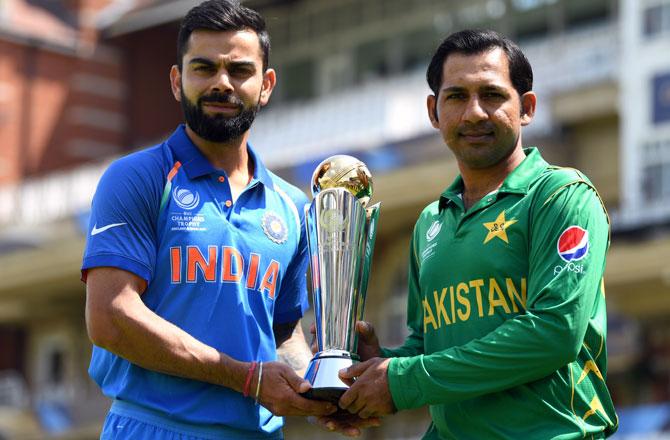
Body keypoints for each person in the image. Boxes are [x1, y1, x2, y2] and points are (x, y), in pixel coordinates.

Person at [318, 29, 619, 439]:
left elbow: (555, 332)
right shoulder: (430, 221)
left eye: (492, 95)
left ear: (526, 107)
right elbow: (431, 345)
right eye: (457, 96)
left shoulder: (560, 196)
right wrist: (375, 367)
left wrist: (403, 380)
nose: (474, 113)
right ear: (434, 111)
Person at [81, 1, 336, 439]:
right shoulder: (138, 179)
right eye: (204, 68)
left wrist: (320, 388)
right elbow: (110, 316)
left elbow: (282, 330)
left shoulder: (292, 206)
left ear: (266, 84)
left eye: (239, 70)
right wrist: (244, 377)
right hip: (154, 427)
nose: (222, 83)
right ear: (178, 82)